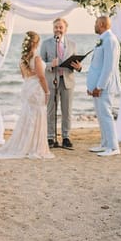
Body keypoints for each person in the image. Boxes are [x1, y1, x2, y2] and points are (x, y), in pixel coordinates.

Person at [0, 31, 53, 160]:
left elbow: (25, 76)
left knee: (28, 116)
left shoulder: (23, 59)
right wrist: (47, 92)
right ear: (37, 43)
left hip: (28, 88)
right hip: (37, 89)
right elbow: (41, 77)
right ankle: (35, 147)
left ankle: (25, 144)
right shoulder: (37, 58)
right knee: (38, 115)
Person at [40, 17, 82, 149]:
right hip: (52, 81)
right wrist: (49, 65)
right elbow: (40, 64)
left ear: (65, 29)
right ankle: (50, 137)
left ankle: (66, 137)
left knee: (67, 111)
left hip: (68, 81)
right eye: (55, 27)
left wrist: (78, 67)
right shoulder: (46, 43)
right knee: (51, 111)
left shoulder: (72, 44)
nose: (58, 29)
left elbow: (77, 64)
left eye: (60, 27)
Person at [86, 16, 121, 157]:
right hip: (98, 85)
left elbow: (108, 67)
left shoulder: (110, 40)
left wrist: (99, 86)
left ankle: (113, 147)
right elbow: (97, 65)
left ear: (101, 24)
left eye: (95, 23)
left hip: (105, 86)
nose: (94, 25)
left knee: (106, 115)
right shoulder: (104, 39)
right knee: (100, 115)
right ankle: (105, 144)